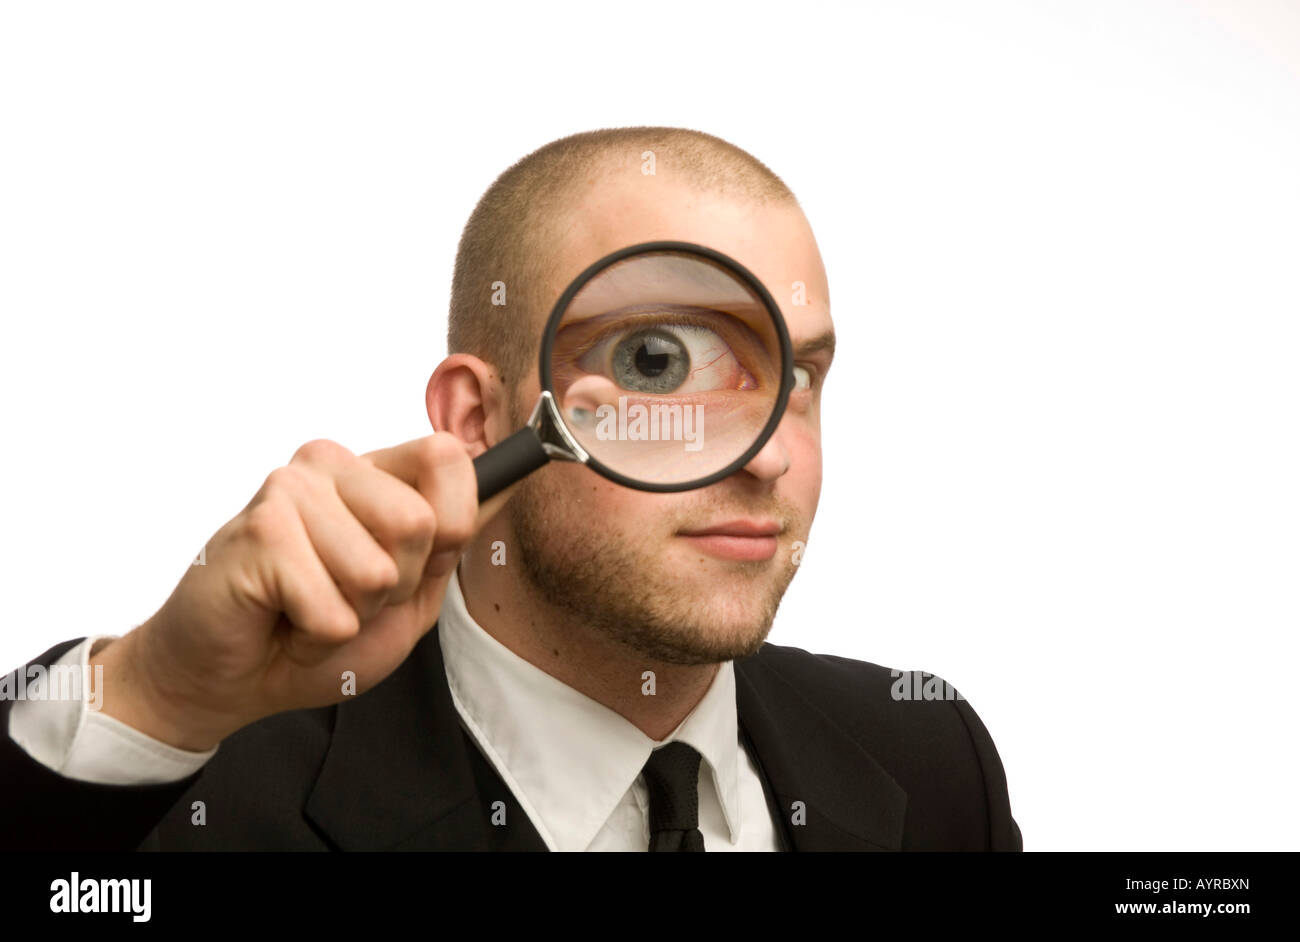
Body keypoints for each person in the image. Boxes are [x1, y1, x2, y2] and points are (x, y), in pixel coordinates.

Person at [1, 127, 1022, 851]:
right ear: (477, 422)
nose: (766, 456)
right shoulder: (201, 797)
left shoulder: (929, 757)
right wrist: (154, 693)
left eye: (795, 379)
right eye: (660, 361)